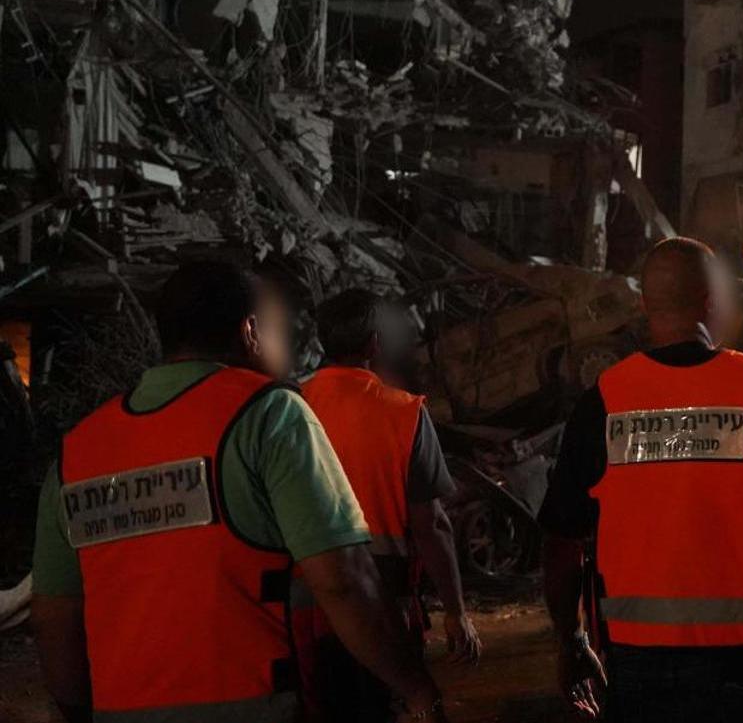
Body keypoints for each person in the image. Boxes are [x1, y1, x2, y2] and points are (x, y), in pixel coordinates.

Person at [30, 259, 447, 723]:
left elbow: (55, 617)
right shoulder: (269, 414)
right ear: (250, 331)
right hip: (255, 705)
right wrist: (416, 687)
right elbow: (343, 580)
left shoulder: (79, 450)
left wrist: (78, 710)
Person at [540, 237, 743, 722]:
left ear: (643, 305)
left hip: (636, 666)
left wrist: (570, 641)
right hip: (740, 664)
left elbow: (561, 540)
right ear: (711, 302)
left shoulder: (604, 401)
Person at [301, 288, 481, 721]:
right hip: (385, 603)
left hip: (309, 602)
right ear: (374, 344)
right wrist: (456, 611)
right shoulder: (403, 413)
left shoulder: (293, 405)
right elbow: (431, 525)